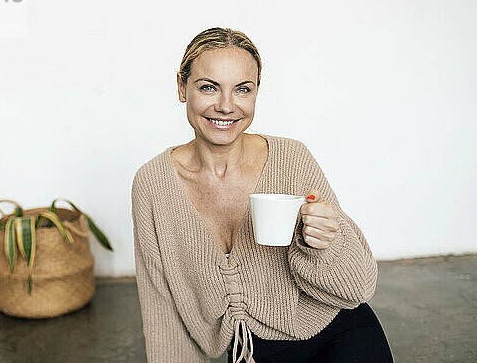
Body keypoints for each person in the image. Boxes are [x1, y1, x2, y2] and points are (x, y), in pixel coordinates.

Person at [131, 27, 394, 363]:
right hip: (251, 354)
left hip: (338, 334)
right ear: (182, 87)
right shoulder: (152, 184)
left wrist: (326, 244)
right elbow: (162, 312)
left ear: (256, 93)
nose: (226, 106)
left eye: (242, 89)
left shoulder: (292, 159)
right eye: (208, 87)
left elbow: (358, 288)